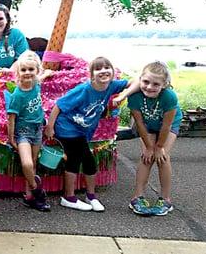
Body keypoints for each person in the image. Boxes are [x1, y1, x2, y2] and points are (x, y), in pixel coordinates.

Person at [44, 57, 138, 212]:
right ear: (92, 74)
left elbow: (137, 81)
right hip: (67, 127)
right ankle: (70, 197)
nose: (103, 71)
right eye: (98, 68)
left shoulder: (111, 86)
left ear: (112, 71)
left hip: (82, 130)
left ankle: (90, 196)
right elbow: (58, 105)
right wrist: (50, 127)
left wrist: (123, 96)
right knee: (82, 160)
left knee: (84, 160)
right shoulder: (84, 89)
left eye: (107, 67)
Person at [125, 62, 182, 216]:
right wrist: (149, 147)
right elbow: (139, 123)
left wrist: (158, 147)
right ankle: (137, 196)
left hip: (168, 125)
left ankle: (165, 199)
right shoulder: (135, 96)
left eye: (156, 84)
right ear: (140, 80)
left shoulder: (169, 97)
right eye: (145, 82)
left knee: (162, 157)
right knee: (146, 158)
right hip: (147, 124)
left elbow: (166, 126)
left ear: (164, 85)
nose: (149, 87)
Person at [7, 51, 50, 212]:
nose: (27, 73)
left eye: (31, 70)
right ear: (18, 72)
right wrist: (11, 138)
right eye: (24, 70)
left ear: (36, 71)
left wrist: (47, 73)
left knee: (33, 163)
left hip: (37, 129)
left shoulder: (36, 83)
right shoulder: (18, 95)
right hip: (23, 132)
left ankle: (29, 196)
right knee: (27, 163)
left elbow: (41, 77)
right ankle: (37, 190)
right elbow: (11, 118)